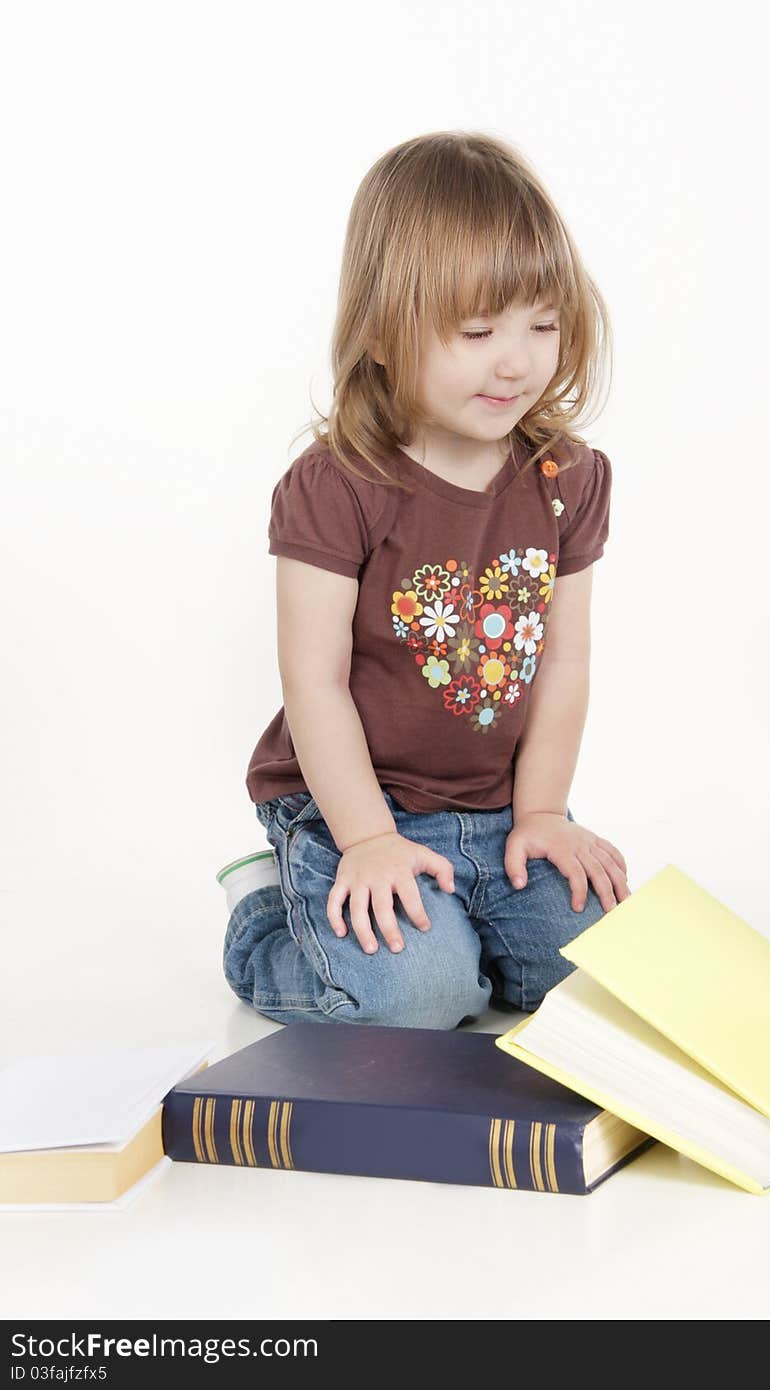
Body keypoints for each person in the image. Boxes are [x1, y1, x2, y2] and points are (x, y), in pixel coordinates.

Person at [219, 129, 630, 1030]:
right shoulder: (340, 487)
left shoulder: (569, 480)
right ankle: (268, 922)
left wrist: (546, 813)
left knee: (602, 977)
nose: (516, 361)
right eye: (478, 331)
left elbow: (563, 664)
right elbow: (314, 683)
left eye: (543, 325)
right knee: (421, 1000)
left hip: (498, 811)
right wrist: (367, 841)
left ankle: (464, 922)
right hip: (350, 810)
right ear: (377, 332)